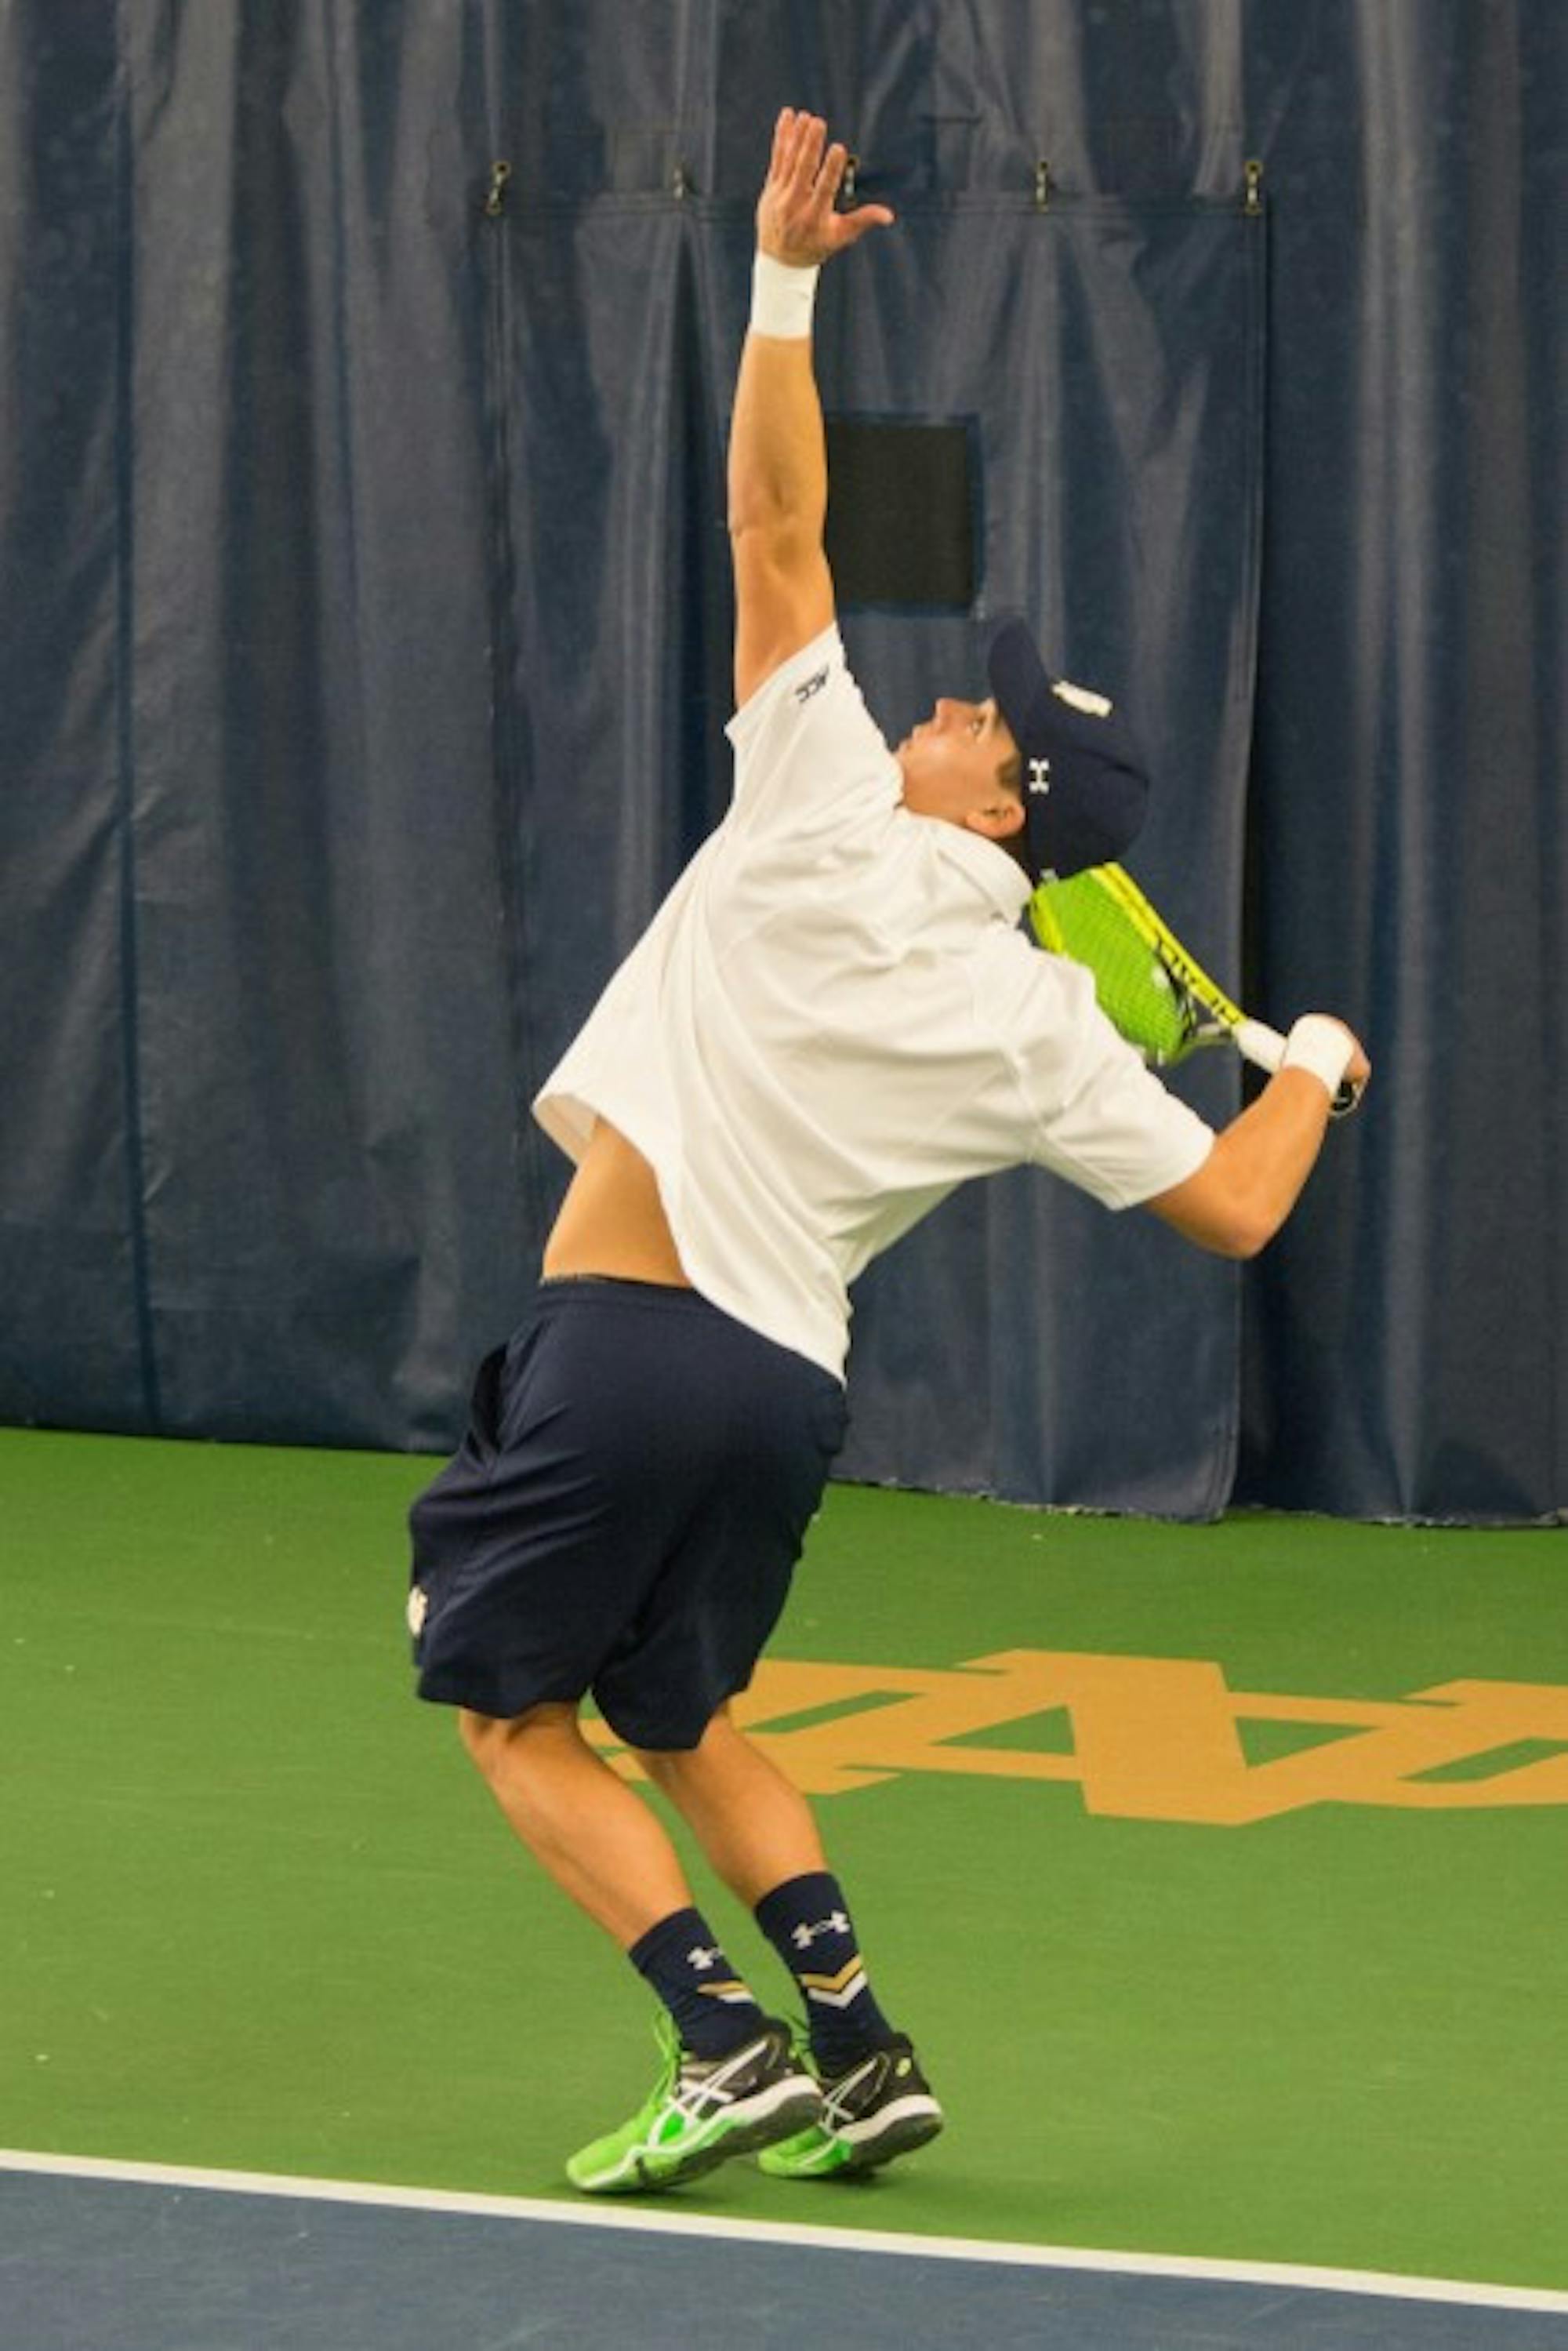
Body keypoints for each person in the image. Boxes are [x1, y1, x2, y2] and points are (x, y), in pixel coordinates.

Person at [405, 108, 1370, 2197]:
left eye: (981, 716)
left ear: (997, 803)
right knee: (676, 1717)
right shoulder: (1044, 1025)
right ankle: (862, 2042)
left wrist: (781, 285)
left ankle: (721, 2040)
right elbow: (1236, 1203)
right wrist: (1316, 1070)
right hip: (778, 1397)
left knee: (504, 1717)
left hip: (628, 1341)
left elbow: (773, 534)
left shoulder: (828, 798)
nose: (946, 700)